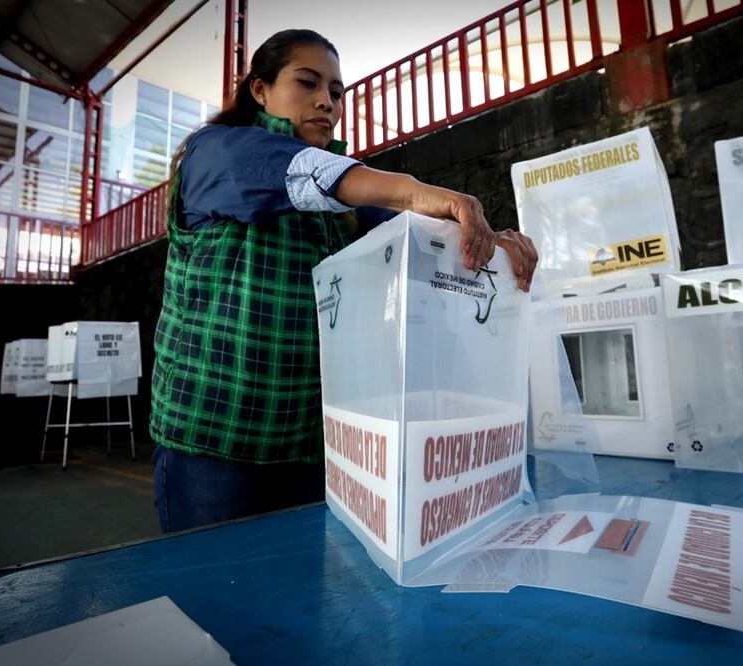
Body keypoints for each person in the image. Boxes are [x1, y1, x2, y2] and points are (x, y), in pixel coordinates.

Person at [150, 29, 539, 532]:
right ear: (260, 90)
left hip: (315, 446)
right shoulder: (217, 153)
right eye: (307, 83)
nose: (325, 101)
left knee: (305, 600)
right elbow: (304, 172)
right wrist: (421, 193)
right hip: (214, 444)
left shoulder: (348, 197)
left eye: (336, 92)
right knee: (206, 601)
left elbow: (425, 233)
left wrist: (493, 241)